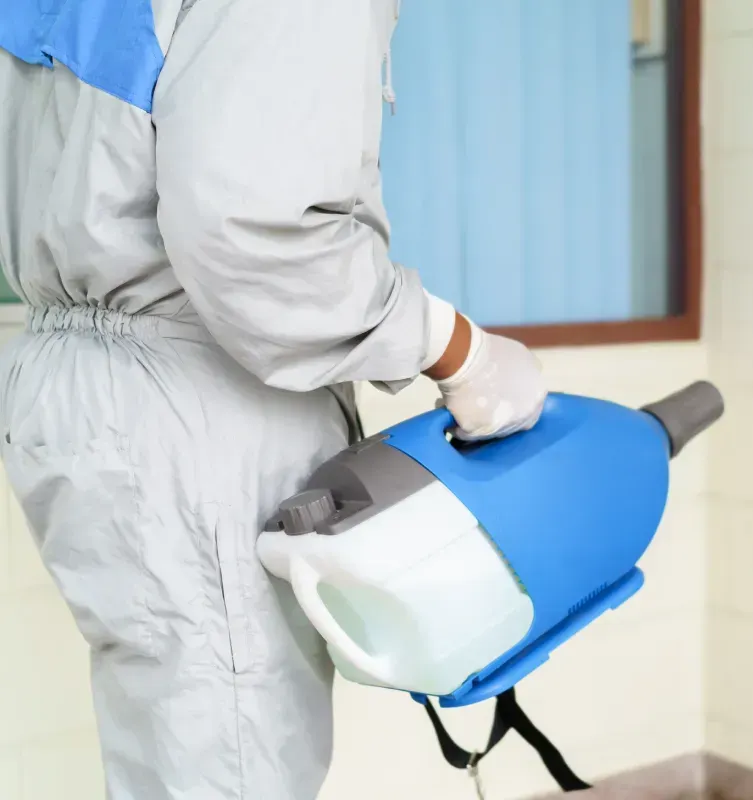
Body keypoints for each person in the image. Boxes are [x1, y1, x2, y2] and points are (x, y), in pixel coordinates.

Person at [0, 2, 546, 797]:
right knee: (232, 766)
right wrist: (460, 351)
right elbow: (253, 231)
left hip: (76, 381)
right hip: (193, 400)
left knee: (179, 756)